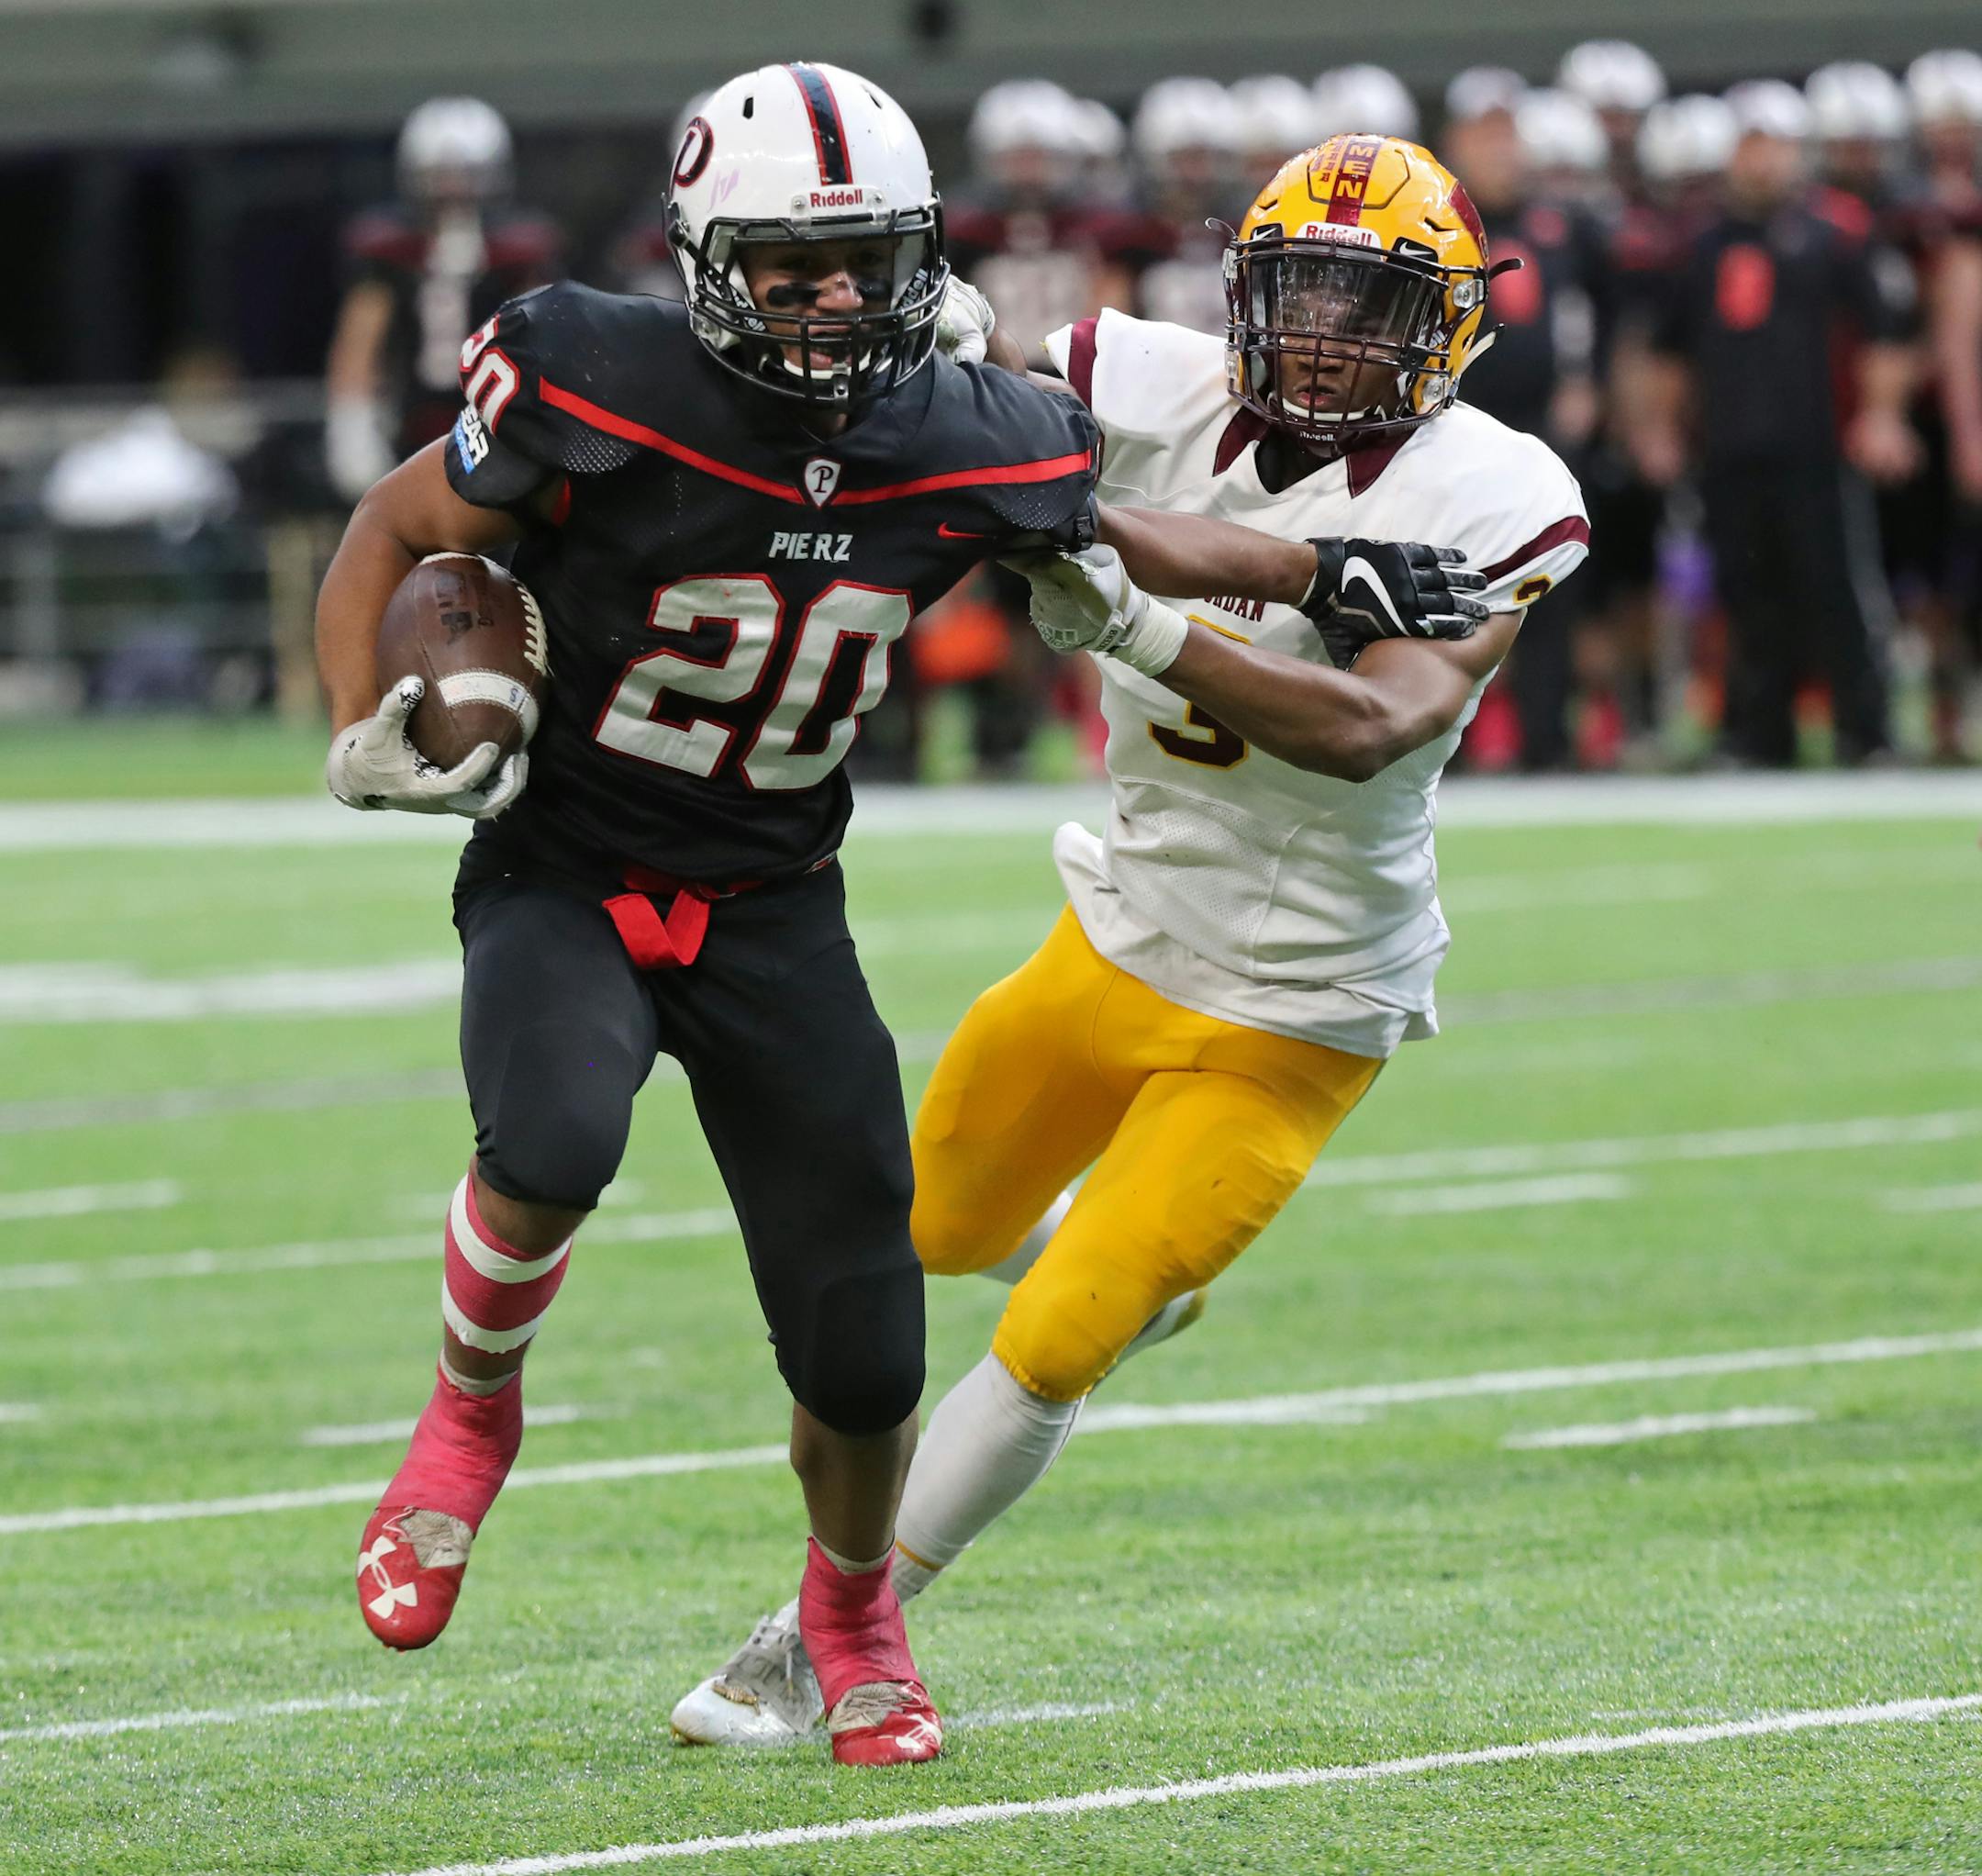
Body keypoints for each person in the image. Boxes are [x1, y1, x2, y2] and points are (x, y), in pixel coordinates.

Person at [317, 61, 1463, 1768]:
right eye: (794, 263)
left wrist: (1306, 567)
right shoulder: (596, 372)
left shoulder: (963, 424)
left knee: (864, 1344)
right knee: (552, 1130)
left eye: (868, 258)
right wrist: (360, 723)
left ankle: (853, 1609)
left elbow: (1099, 530)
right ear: (713, 257)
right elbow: (401, 524)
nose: (840, 295)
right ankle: (472, 1411)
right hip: (568, 858)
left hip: (776, 896)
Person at [670, 131, 1588, 1748]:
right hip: (1120, 929)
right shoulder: (1145, 376)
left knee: (1054, 1332)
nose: (1323, 334)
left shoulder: (1499, 495)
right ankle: (1130, 1273)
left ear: (1450, 327)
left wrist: (1135, 605)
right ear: (1241, 287)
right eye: (1300, 289)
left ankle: (823, 1635)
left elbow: (1377, 720)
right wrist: (944, 350)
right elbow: (1001, 446)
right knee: (925, 1221)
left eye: (1370, 305)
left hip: (1304, 997)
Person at [1642, 79, 1919, 766]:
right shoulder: (1704, 244)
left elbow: (1883, 334)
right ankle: (1758, 736)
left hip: (1819, 446)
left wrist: (1881, 417)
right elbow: (1674, 353)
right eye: (1751, 146)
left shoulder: (1838, 233)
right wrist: (1665, 430)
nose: (1761, 162)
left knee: (1839, 592)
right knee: (1746, 596)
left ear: (1799, 153)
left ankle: (1867, 732)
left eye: (1774, 146)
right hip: (1732, 451)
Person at [324, 98, 561, 503]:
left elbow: (548, 335)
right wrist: (353, 424)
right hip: (409, 422)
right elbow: (360, 343)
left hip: (496, 421)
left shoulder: (519, 252)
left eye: (466, 175)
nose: (453, 189)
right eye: (440, 175)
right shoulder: (390, 253)